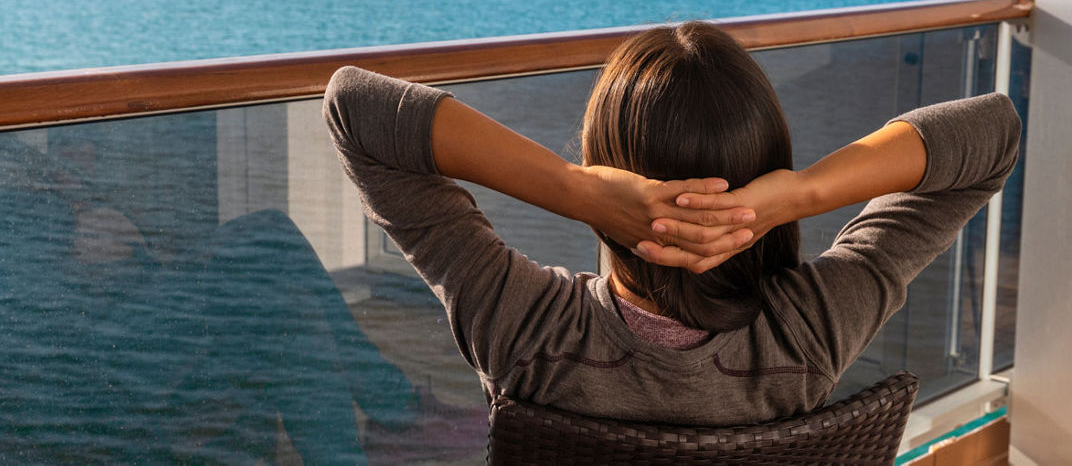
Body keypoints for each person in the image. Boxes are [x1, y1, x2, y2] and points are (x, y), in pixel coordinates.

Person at [322, 21, 1020, 426]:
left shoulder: (524, 326)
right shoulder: (813, 327)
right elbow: (992, 135)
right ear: (767, 162)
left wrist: (573, 190)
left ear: (610, 170)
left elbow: (354, 106)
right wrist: (798, 194)